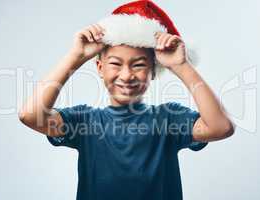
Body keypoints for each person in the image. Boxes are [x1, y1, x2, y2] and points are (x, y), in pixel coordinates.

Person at [18, 1, 235, 199]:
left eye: (139, 64)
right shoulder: (83, 121)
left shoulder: (169, 119)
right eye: (115, 63)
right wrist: (75, 57)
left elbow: (221, 127)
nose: (126, 75)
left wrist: (181, 65)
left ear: (153, 70)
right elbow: (30, 115)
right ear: (99, 68)